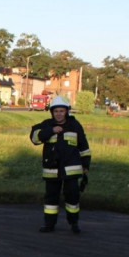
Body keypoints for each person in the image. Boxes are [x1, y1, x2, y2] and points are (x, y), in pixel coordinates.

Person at [29, 95, 92, 234]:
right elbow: (34, 137)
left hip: (71, 170)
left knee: (72, 198)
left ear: (66, 111)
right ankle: (49, 225)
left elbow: (84, 147)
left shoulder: (75, 125)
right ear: (52, 112)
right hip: (51, 170)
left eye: (61, 111)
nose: (58, 114)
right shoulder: (46, 124)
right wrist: (51, 130)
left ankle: (74, 223)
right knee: (51, 198)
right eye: (56, 111)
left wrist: (86, 164)